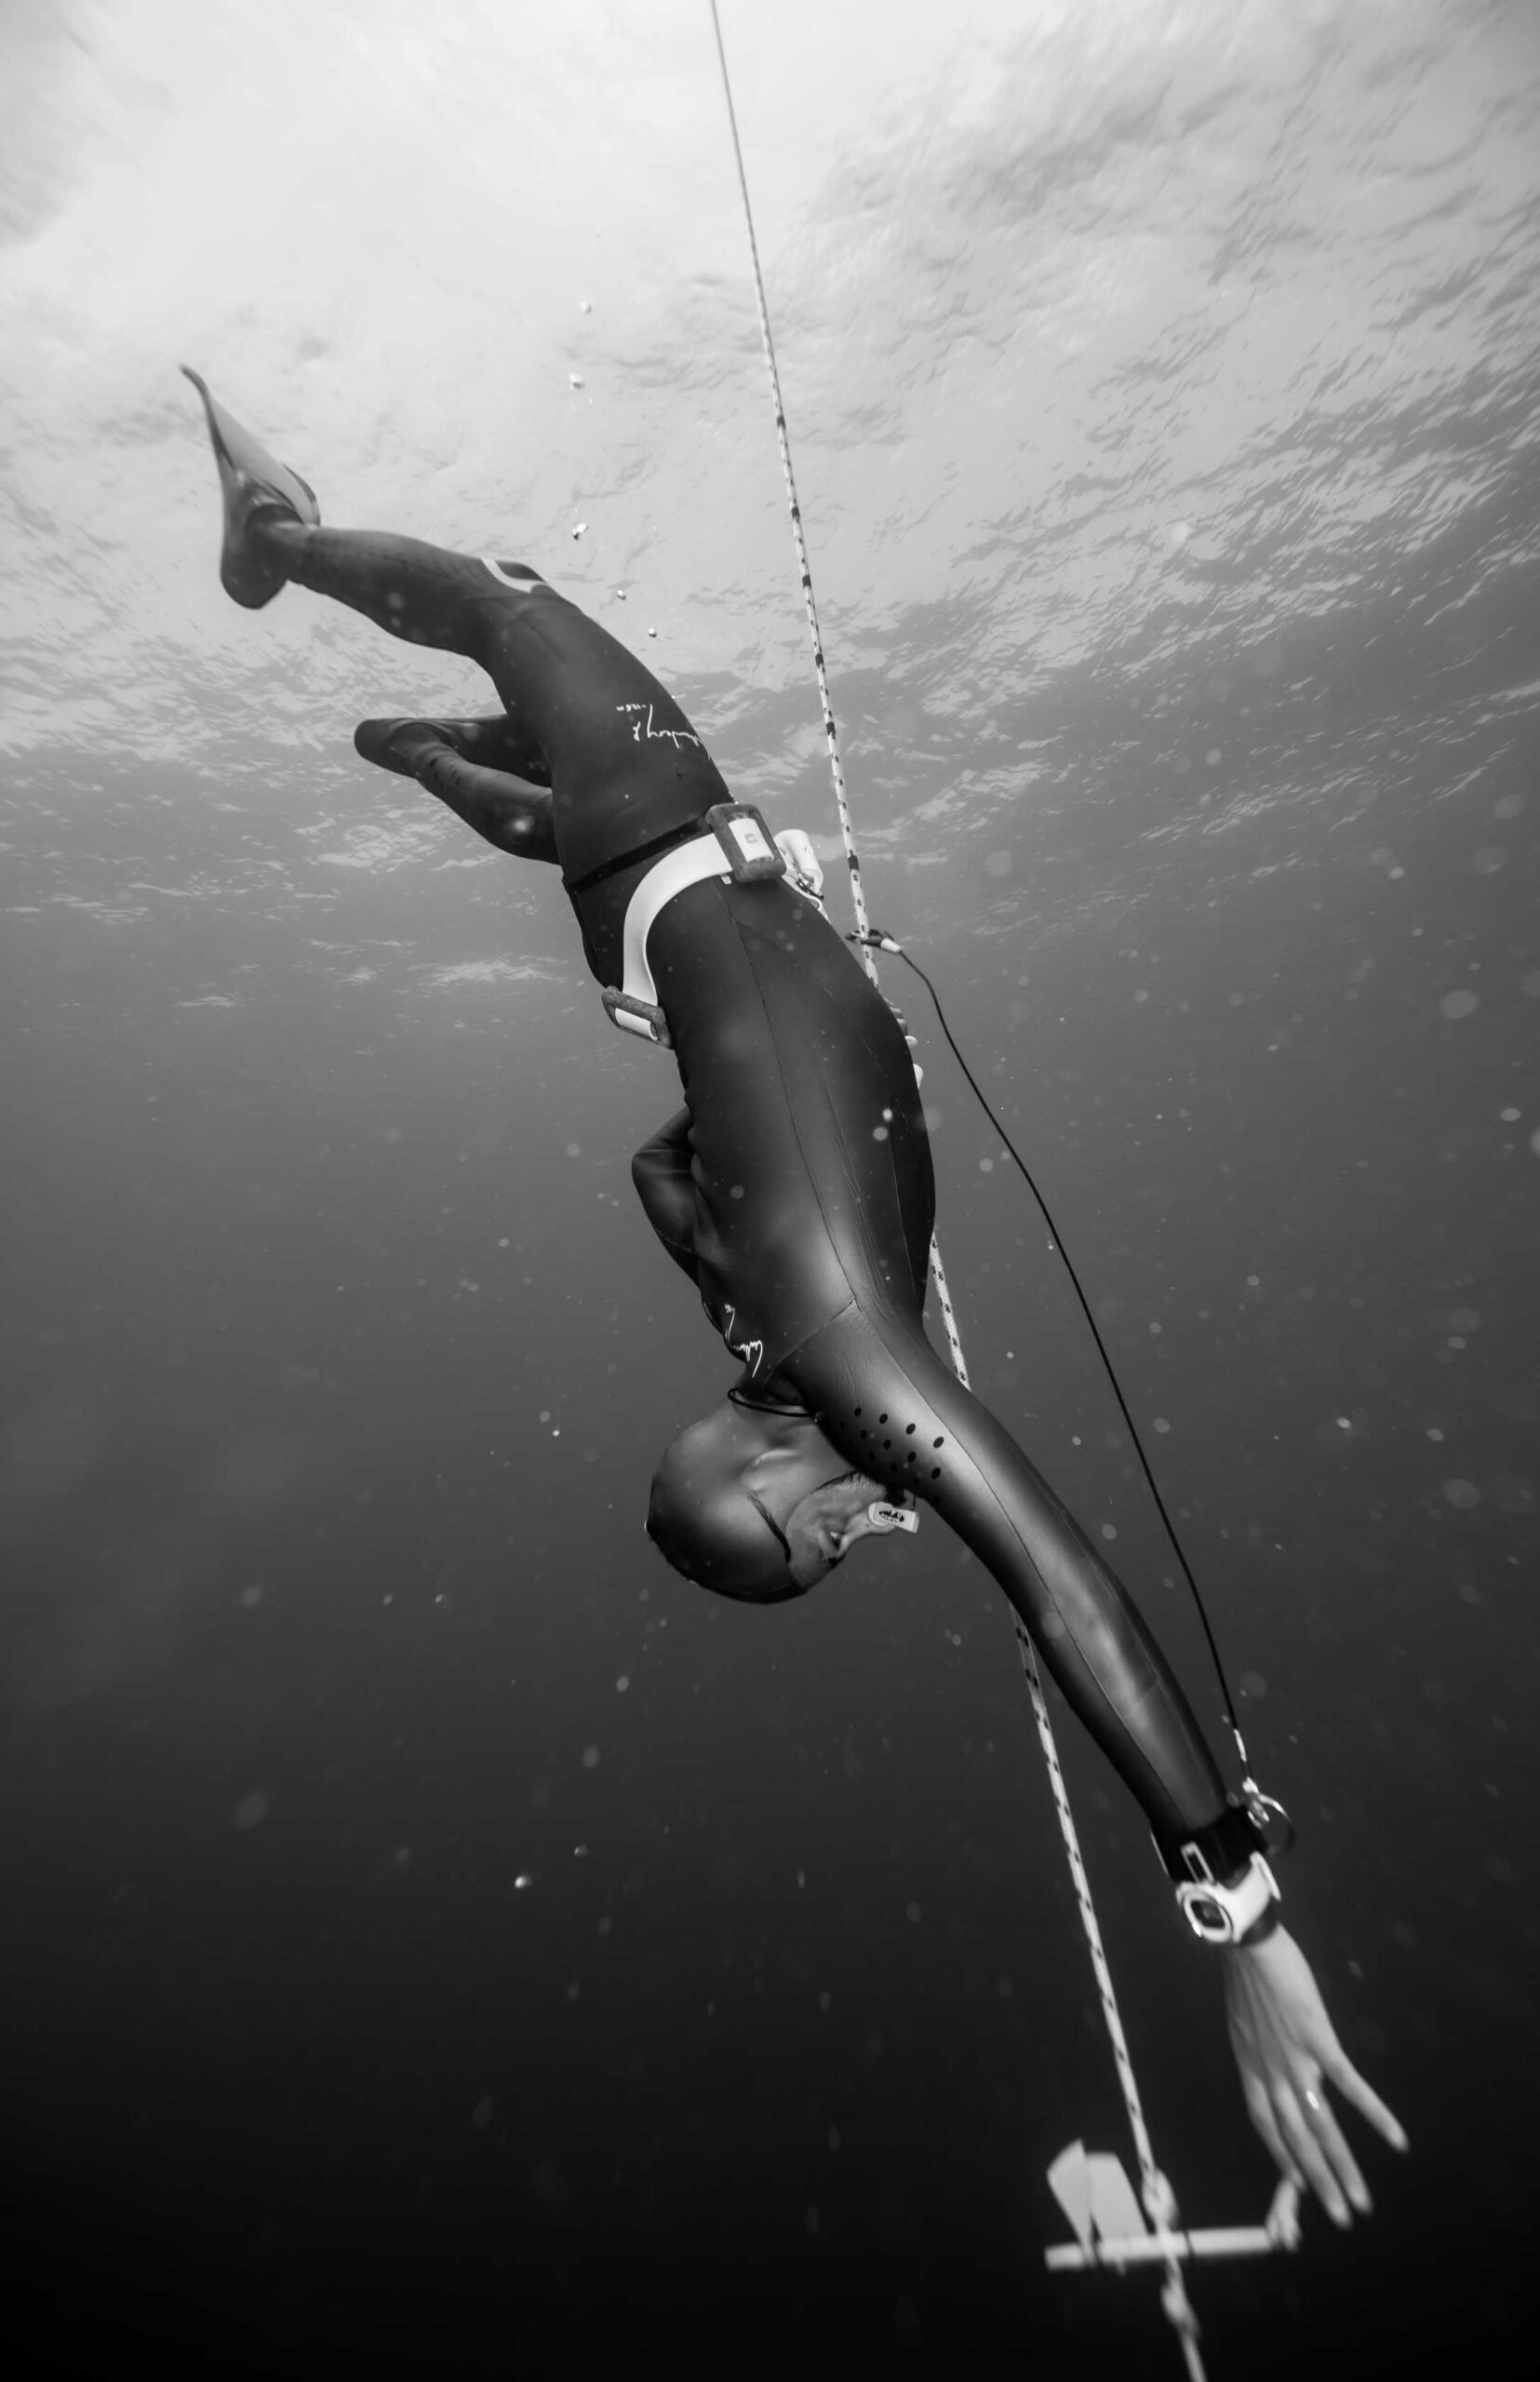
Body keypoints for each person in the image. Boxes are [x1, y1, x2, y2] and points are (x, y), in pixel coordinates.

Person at [185, 368, 1409, 2228]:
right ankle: (429, 757)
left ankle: (277, 544)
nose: (857, 1537)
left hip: (655, 829)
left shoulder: (846, 1358)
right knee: (510, 679)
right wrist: (725, 1186)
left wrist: (1235, 1910)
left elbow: (1054, 1573)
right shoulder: (791, 1327)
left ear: (771, 1490)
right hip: (645, 890)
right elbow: (660, 1173)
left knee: (507, 602)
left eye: (813, 1548)